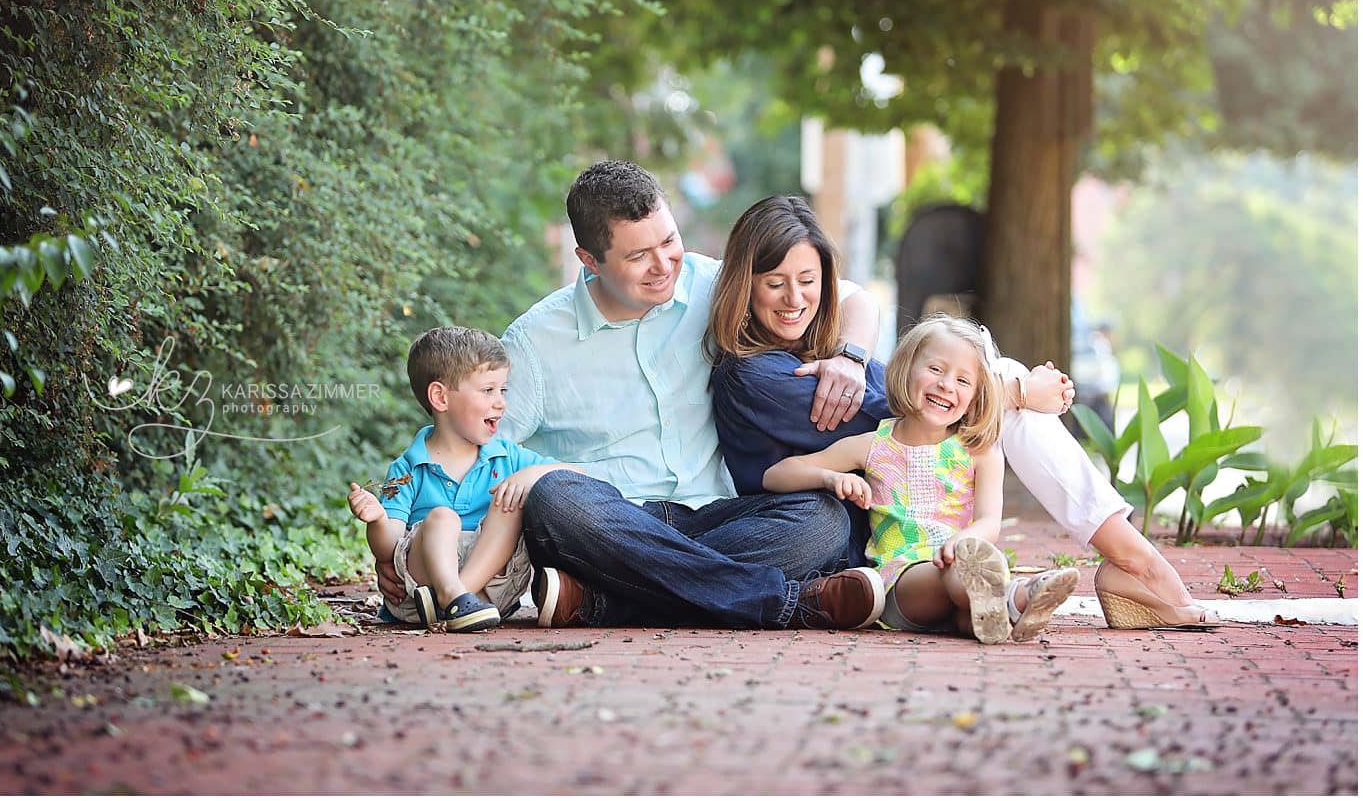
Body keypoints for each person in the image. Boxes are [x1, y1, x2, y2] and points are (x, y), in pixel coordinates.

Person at [707, 195, 1221, 630]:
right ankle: (1135, 562)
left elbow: (867, 316)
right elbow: (910, 407)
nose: (796, 298)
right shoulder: (757, 375)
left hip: (893, 530)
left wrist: (853, 352)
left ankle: (1108, 569)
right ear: (744, 285)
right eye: (775, 283)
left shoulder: (818, 352)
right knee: (997, 387)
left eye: (808, 280)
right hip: (838, 537)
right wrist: (1016, 387)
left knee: (986, 388)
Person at [486, 160, 887, 630]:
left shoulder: (712, 284)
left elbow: (854, 298)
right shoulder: (535, 343)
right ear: (590, 260)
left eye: (669, 242)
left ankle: (606, 602)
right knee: (554, 498)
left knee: (823, 520)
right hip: (614, 521)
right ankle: (789, 603)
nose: (662, 267)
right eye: (638, 256)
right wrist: (408, 544)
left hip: (722, 515)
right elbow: (477, 450)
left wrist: (851, 357)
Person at [765, 315, 1079, 643]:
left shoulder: (980, 451)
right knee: (960, 574)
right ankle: (1018, 596)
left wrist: (961, 542)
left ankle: (1001, 611)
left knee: (969, 610)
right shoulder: (874, 445)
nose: (946, 385)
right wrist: (830, 478)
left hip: (962, 562)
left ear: (976, 396)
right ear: (906, 368)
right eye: (936, 370)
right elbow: (777, 475)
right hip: (902, 584)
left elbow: (989, 522)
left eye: (963, 380)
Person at [350, 326, 569, 633]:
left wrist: (531, 474)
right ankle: (454, 597)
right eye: (488, 390)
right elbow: (388, 548)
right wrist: (375, 520)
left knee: (511, 501)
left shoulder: (508, 457)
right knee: (442, 518)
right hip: (420, 589)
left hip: (492, 589)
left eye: (502, 390)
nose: (501, 402)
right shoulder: (407, 468)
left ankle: (458, 600)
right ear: (440, 397)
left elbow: (574, 475)